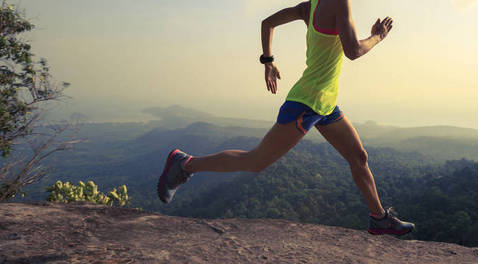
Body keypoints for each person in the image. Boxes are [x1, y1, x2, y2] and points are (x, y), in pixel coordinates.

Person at [157, 0, 414, 236]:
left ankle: (379, 218)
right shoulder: (338, 2)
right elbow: (353, 51)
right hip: (307, 103)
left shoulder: (312, 5)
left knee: (358, 157)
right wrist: (378, 37)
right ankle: (185, 164)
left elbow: (267, 23)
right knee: (256, 161)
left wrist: (268, 61)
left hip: (325, 104)